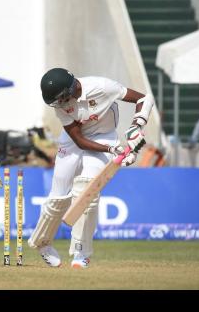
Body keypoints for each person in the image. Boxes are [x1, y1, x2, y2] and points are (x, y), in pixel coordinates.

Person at [27, 68, 153, 268]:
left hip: (104, 135)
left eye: (60, 99)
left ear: (70, 89)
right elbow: (79, 140)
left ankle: (81, 253)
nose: (59, 104)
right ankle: (42, 243)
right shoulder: (60, 106)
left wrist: (136, 127)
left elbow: (144, 99)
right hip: (74, 141)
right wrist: (112, 149)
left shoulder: (102, 87)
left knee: (87, 193)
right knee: (58, 198)